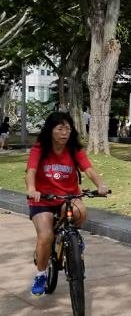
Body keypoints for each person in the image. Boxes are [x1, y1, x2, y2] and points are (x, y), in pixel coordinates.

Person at [26, 112, 109, 296]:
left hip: (68, 197)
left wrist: (100, 185)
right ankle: (40, 275)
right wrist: (32, 189)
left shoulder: (74, 149)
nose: (64, 133)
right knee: (46, 236)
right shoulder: (39, 149)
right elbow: (31, 171)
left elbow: (89, 170)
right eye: (60, 129)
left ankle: (73, 236)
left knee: (80, 211)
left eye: (68, 129)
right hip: (43, 199)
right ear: (50, 130)